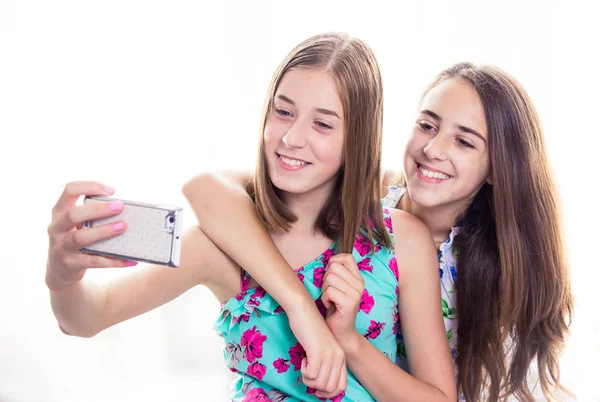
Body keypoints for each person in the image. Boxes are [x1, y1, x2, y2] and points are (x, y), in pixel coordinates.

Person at [46, 33, 456, 401]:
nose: (291, 138)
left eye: (322, 124)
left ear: (358, 138)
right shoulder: (223, 244)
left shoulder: (400, 240)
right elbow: (86, 318)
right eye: (283, 112)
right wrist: (62, 276)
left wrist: (347, 341)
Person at [191, 62, 573, 401]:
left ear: (497, 168)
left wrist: (349, 341)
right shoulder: (363, 194)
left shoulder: (501, 276)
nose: (433, 149)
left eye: (463, 141)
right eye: (427, 125)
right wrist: (300, 308)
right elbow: (208, 190)